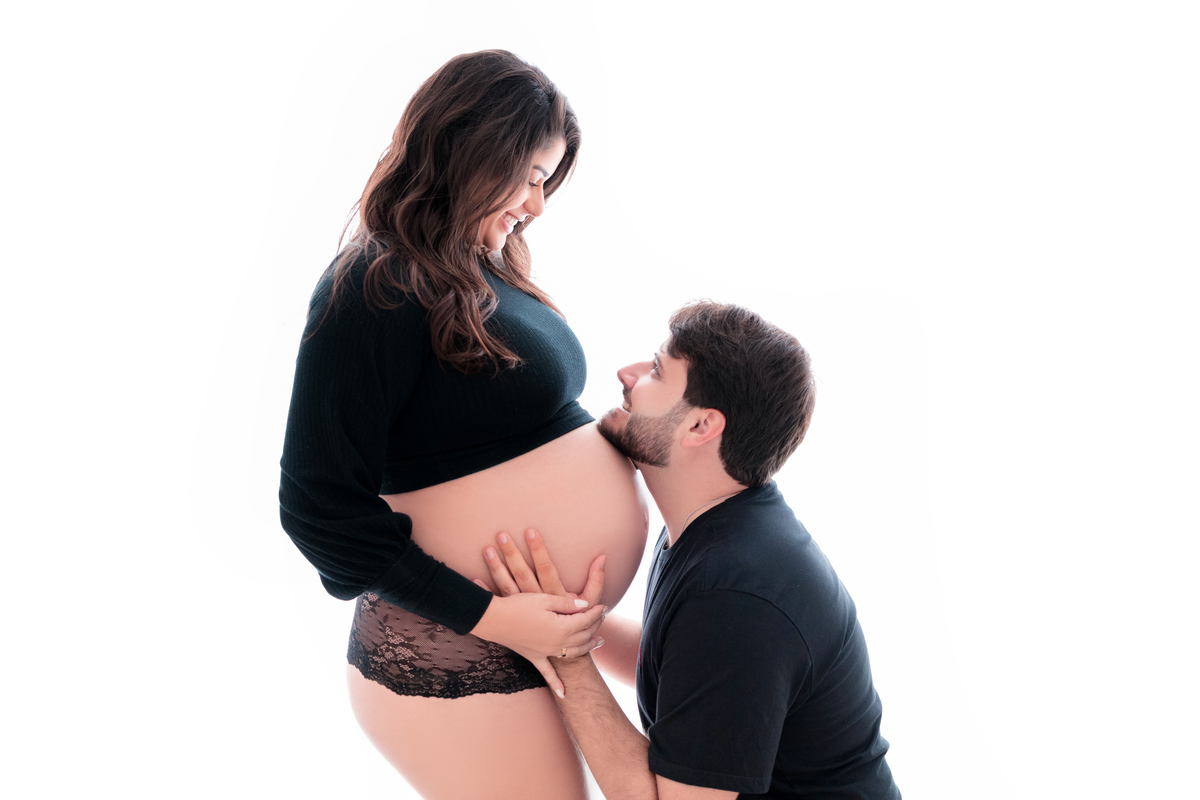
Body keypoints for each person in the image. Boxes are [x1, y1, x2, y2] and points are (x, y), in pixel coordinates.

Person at [278, 50, 649, 799]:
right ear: (471, 149)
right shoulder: (375, 281)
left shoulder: (485, 266)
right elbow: (318, 509)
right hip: (455, 648)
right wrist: (493, 618)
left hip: (526, 634)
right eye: (531, 176)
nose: (538, 205)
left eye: (547, 181)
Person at [482, 301, 902, 799]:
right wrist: (558, 620)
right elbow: (688, 667)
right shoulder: (722, 531)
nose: (627, 373)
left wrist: (565, 656)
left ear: (701, 426)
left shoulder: (737, 593)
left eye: (657, 371)